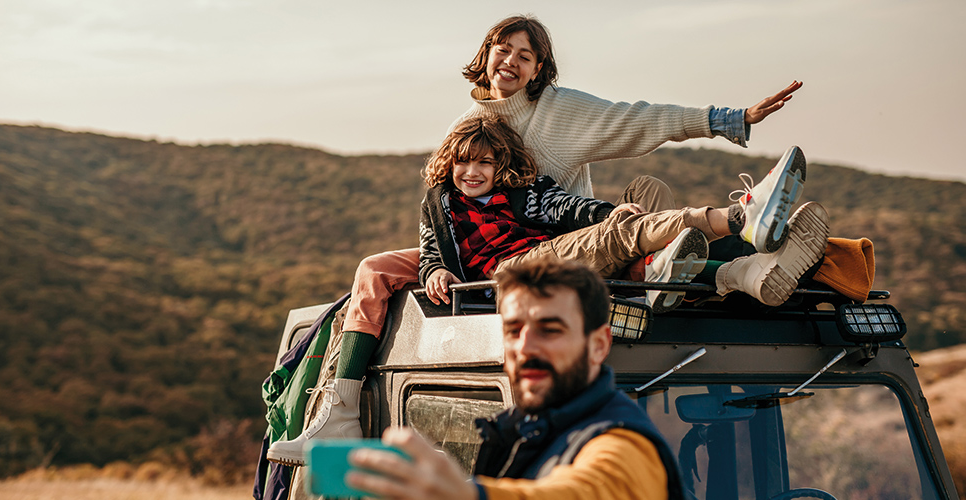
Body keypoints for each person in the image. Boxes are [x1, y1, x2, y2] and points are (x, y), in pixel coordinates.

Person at [267, 15, 804, 464]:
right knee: (375, 269)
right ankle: (339, 411)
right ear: (486, 55)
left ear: (539, 68)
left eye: (525, 56)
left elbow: (637, 120)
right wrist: (433, 268)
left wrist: (729, 120)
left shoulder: (558, 111)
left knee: (642, 209)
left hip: (561, 239)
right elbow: (441, 216)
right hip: (489, 257)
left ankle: (743, 252)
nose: (511, 62)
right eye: (503, 49)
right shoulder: (467, 126)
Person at [343, 257, 691, 500]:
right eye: (513, 329)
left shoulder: (623, 446)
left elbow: (584, 491)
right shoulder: (527, 430)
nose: (525, 346)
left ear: (598, 344)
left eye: (550, 330)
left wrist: (470, 495)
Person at [418, 116, 826, 311]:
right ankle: (739, 220)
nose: (472, 172)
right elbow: (430, 254)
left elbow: (569, 208)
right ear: (449, 163)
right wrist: (434, 272)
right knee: (614, 235)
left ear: (500, 165)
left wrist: (612, 212)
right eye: (464, 163)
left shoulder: (523, 191)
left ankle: (679, 271)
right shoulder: (441, 205)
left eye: (484, 164)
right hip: (508, 276)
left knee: (649, 189)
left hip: (547, 253)